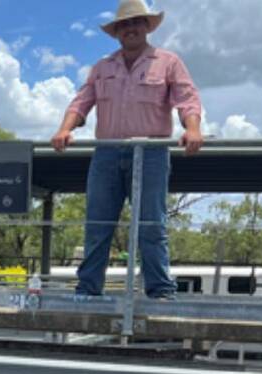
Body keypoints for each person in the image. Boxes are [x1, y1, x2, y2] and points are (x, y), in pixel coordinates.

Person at [52, 0, 204, 299]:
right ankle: (88, 288)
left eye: (136, 23)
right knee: (97, 223)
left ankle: (160, 290)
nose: (130, 29)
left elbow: (187, 98)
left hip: (150, 152)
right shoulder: (102, 67)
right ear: (117, 32)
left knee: (151, 224)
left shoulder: (168, 62)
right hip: (107, 152)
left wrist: (193, 128)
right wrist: (65, 128)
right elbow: (81, 101)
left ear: (147, 27)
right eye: (124, 25)